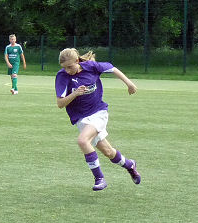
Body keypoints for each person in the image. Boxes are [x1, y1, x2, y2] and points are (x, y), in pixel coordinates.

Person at [55, 48, 140, 191]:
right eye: (64, 67)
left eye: (70, 67)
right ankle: (130, 165)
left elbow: (112, 68)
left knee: (82, 141)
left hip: (98, 113)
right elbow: (60, 104)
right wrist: (75, 94)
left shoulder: (91, 67)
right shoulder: (62, 76)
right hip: (81, 119)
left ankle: (99, 178)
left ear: (77, 61)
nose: (67, 70)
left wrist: (129, 83)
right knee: (108, 152)